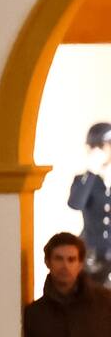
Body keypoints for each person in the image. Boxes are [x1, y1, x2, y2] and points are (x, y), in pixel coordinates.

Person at [67, 122, 111, 288]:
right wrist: (92, 170)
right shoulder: (85, 180)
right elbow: (75, 203)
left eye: (103, 146)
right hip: (91, 252)